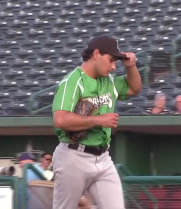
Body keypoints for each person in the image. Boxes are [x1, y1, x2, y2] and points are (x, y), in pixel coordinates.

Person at [52, 35, 141, 209]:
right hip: (73, 156)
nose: (114, 66)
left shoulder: (109, 82)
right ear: (96, 54)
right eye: (111, 60)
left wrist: (131, 67)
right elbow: (60, 119)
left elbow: (134, 88)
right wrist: (99, 120)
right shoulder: (73, 81)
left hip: (103, 157)